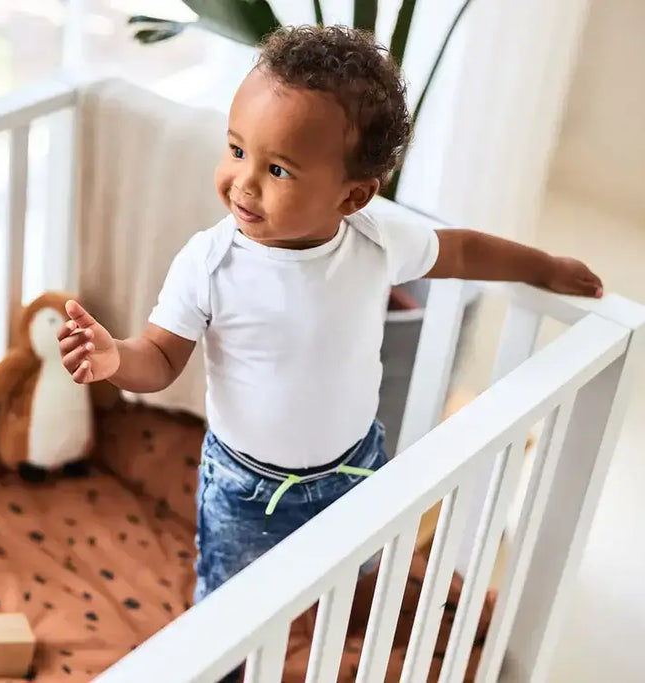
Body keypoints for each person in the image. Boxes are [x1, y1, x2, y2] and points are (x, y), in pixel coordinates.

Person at [57, 24, 602, 679]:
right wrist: (117, 357)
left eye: (277, 168)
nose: (243, 183)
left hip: (353, 470)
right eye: (236, 150)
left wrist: (540, 266)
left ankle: (329, 620)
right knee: (229, 611)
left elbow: (457, 250)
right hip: (245, 489)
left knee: (348, 576)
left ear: (353, 195)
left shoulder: (375, 238)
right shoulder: (211, 260)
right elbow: (161, 356)